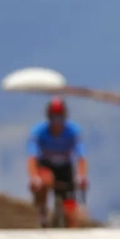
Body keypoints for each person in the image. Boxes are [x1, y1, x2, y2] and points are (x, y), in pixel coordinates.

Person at [26, 97, 89, 228]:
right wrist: (34, 178)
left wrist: (82, 176)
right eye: (53, 118)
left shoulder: (73, 131)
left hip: (65, 169)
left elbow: (81, 157)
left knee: (71, 213)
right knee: (44, 180)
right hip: (46, 166)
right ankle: (42, 211)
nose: (56, 122)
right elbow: (32, 157)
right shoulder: (38, 132)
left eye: (59, 118)